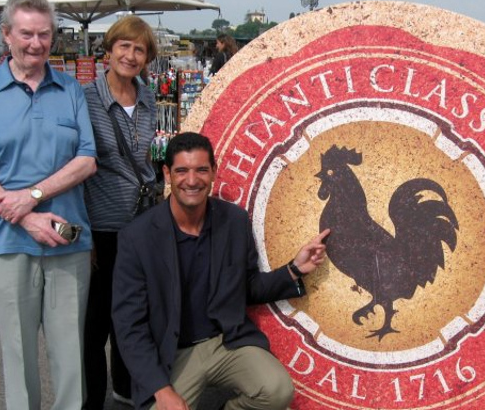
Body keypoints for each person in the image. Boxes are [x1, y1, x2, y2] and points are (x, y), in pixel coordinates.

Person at [112, 132, 329, 410]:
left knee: (277, 390)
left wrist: (294, 269)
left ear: (214, 171)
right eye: (182, 171)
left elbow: (247, 286)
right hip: (172, 353)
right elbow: (129, 325)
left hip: (226, 342)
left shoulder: (234, 221)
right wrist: (161, 389)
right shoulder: (136, 237)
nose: (192, 180)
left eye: (201, 170)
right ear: (167, 174)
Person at [0, 0, 97, 409]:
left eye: (44, 34)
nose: (35, 43)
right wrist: (23, 214)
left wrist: (33, 197)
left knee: (70, 353)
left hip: (67, 241)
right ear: (5, 35)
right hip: (4, 243)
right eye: (26, 34)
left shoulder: (71, 89)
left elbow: (86, 160)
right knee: (17, 355)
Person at [82, 16, 159, 409]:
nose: (130, 55)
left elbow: (145, 160)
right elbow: (75, 167)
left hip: (140, 228)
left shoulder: (146, 99)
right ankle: (92, 401)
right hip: (100, 227)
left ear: (147, 58)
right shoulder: (85, 99)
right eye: (124, 46)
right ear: (108, 50)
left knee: (131, 317)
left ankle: (126, 392)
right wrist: (82, 234)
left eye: (139, 49)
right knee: (94, 324)